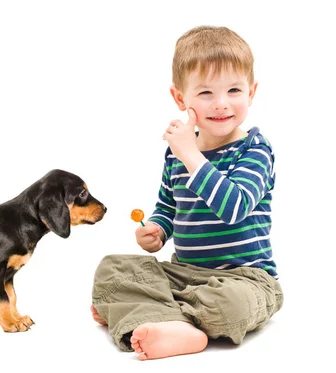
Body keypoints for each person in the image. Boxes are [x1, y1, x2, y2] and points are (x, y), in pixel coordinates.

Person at [91, 25, 283, 360]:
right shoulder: (176, 154)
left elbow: (235, 207)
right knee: (112, 269)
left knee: (231, 307)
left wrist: (192, 154)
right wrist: (157, 229)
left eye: (234, 90)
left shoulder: (255, 149)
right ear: (181, 98)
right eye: (206, 93)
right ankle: (175, 322)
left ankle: (148, 312)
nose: (221, 104)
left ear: (251, 93)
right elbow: (168, 205)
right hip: (187, 275)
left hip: (245, 280)